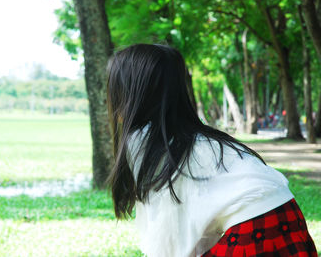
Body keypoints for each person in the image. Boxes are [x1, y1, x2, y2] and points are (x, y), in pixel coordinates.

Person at [106, 44, 317, 257]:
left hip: (254, 229)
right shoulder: (197, 139)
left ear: (129, 95)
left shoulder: (149, 141)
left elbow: (167, 231)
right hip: (288, 216)